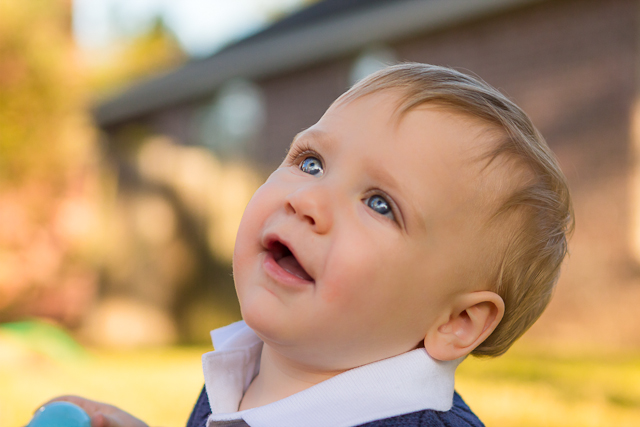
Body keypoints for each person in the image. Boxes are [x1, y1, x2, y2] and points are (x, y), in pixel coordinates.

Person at [44, 63, 573, 427]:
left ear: (458, 322)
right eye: (311, 162)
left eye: (379, 204)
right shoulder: (247, 368)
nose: (309, 201)